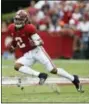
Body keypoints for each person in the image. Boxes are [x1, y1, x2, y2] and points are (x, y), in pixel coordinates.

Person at [6, 9, 83, 92]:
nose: (17, 22)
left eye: (20, 20)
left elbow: (41, 42)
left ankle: (74, 79)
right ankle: (40, 75)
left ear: (25, 20)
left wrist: (35, 43)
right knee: (17, 66)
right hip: (27, 55)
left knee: (52, 70)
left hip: (37, 51)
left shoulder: (29, 28)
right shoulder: (11, 28)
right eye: (16, 19)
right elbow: (15, 40)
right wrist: (12, 47)